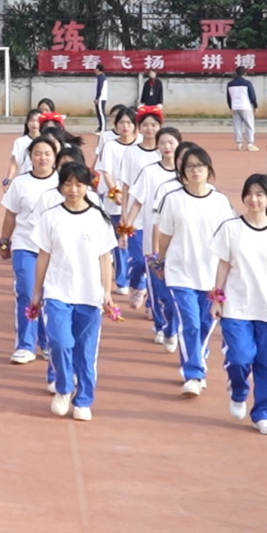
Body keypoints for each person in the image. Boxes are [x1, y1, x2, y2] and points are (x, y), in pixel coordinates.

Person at [212, 174, 267, 436]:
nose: (254, 199)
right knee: (240, 357)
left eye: (260, 194)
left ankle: (264, 413)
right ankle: (239, 390)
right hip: (238, 305)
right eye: (249, 193)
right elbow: (224, 264)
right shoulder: (231, 229)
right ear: (243, 196)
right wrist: (217, 298)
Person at [30, 162, 118, 422]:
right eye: (67, 183)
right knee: (59, 341)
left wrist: (107, 293)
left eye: (79, 184)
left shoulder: (98, 217)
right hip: (57, 290)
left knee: (85, 350)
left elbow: (105, 258)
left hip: (89, 293)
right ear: (60, 186)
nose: (73, 189)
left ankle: (83, 399)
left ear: (88, 186)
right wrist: (37, 291)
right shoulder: (50, 217)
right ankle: (64, 387)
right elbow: (44, 255)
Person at [155, 147, 237, 397]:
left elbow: (229, 237)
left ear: (209, 169)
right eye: (190, 166)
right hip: (181, 272)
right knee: (189, 322)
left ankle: (198, 357)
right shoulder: (173, 199)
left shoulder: (220, 201)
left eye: (200, 165)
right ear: (183, 172)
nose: (195, 170)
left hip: (211, 275)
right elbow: (165, 234)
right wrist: (160, 261)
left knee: (205, 322)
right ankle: (193, 373)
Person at [120, 127, 184, 351]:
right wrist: (127, 224)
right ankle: (160, 324)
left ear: (179, 145)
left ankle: (172, 328)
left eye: (171, 142)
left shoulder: (187, 174)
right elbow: (137, 200)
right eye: (163, 142)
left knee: (174, 289)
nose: (167, 147)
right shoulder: (149, 172)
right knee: (158, 289)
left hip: (179, 244)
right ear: (157, 146)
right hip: (152, 240)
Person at [0, 137, 59, 365]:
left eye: (47, 153)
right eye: (37, 153)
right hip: (26, 245)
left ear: (54, 156)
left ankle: (46, 341)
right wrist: (5, 240)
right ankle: (25, 344)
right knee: (26, 292)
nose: (42, 158)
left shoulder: (63, 182)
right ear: (30, 157)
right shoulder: (20, 183)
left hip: (54, 250)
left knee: (49, 294)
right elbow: (10, 214)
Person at [115, 106, 162, 307]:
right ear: (139, 128)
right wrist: (125, 213)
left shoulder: (165, 151)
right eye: (145, 125)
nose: (150, 129)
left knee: (156, 261)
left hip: (160, 216)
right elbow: (125, 185)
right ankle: (138, 284)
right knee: (140, 260)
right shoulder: (131, 153)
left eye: (154, 125)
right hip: (137, 216)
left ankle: (153, 302)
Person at [96, 107, 141, 295]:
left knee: (137, 242)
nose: (125, 126)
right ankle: (122, 279)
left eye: (129, 123)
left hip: (137, 201)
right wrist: (114, 192)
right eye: (122, 122)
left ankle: (138, 280)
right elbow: (105, 170)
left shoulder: (141, 145)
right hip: (114, 201)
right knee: (118, 240)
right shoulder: (110, 145)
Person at [4, 110, 43, 188]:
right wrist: (8, 179)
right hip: (24, 180)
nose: (34, 124)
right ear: (27, 122)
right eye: (32, 121)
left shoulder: (46, 141)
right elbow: (14, 163)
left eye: (38, 121)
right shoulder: (20, 142)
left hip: (42, 180)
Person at [227, 66, 259, 151]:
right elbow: (252, 95)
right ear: (245, 73)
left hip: (235, 106)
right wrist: (255, 106)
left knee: (237, 125)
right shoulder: (247, 83)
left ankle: (239, 143)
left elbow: (228, 97)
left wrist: (230, 106)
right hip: (245, 106)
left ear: (236, 73)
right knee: (249, 125)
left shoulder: (230, 84)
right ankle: (250, 144)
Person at [93, 63, 109, 133]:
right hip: (101, 98)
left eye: (95, 69)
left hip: (101, 98)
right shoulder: (100, 77)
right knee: (99, 113)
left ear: (98, 69)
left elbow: (100, 88)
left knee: (101, 113)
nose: (94, 70)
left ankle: (103, 128)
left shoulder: (101, 77)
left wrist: (97, 98)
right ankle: (100, 127)